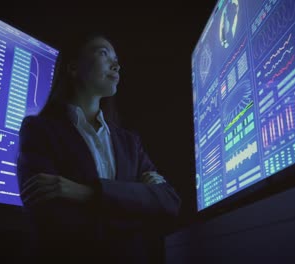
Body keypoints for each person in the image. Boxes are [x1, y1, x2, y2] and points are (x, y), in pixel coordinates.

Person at [16, 32, 181, 264]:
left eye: (116, 58)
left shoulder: (130, 142)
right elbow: (51, 218)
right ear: (73, 67)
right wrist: (135, 201)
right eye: (104, 53)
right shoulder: (38, 130)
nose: (116, 64)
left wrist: (86, 193)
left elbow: (169, 202)